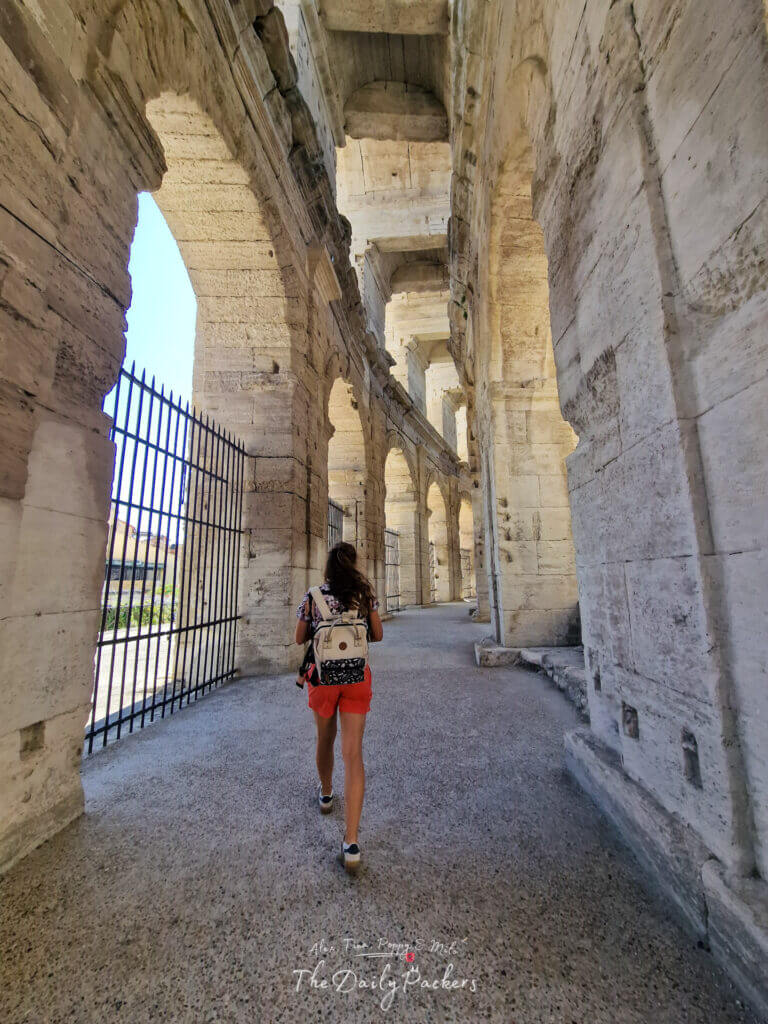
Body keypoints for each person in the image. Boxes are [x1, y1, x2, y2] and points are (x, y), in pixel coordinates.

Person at [295, 542, 383, 873]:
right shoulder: (366, 595)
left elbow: (298, 636)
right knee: (353, 753)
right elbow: (377, 634)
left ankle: (327, 793)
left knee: (324, 739)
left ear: (329, 567)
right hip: (357, 677)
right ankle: (351, 842)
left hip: (323, 677)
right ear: (354, 565)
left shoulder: (313, 595)